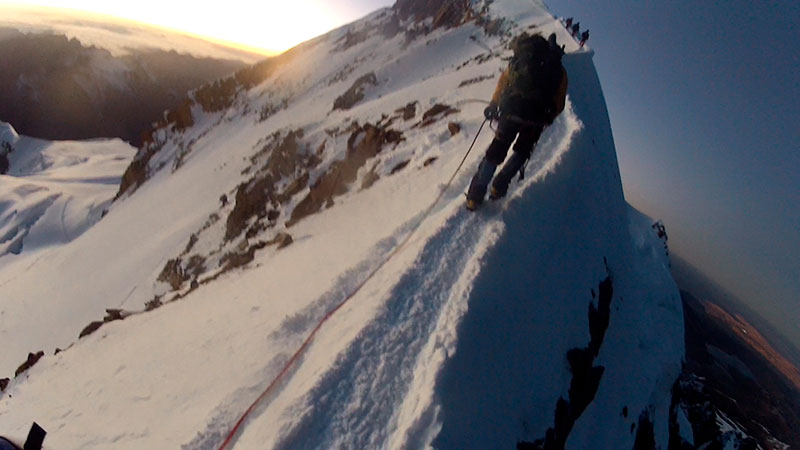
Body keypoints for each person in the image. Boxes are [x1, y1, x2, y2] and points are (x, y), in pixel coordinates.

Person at [466, 33, 568, 210]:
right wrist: (548, 117)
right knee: (522, 152)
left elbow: (504, 83)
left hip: (511, 112)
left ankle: (475, 196)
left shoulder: (519, 60)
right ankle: (499, 186)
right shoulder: (558, 70)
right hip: (536, 119)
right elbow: (559, 104)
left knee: (496, 151)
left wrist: (493, 104)